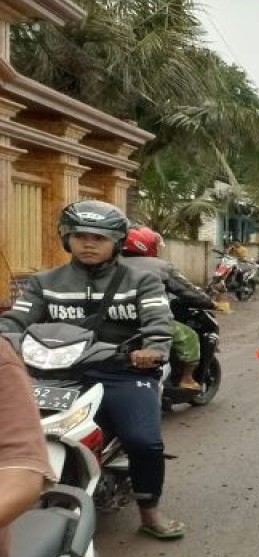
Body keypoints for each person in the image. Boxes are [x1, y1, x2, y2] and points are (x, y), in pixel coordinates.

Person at [0, 201, 184, 539]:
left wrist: (153, 351)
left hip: (120, 370)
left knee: (144, 442)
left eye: (99, 238)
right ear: (65, 239)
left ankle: (149, 511)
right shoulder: (44, 282)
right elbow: (14, 322)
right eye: (80, 236)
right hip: (53, 372)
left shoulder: (142, 281)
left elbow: (159, 325)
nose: (88, 243)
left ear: (116, 242)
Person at [0, 339, 53, 557]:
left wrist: (153, 346)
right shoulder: (48, 287)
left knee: (142, 440)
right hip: (54, 358)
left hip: (117, 365)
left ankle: (149, 506)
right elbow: (25, 314)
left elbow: (20, 475)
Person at [121, 225, 215, 391]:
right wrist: (208, 302)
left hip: (114, 321)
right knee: (190, 336)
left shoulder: (108, 264)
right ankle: (186, 378)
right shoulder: (160, 266)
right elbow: (186, 289)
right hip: (148, 320)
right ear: (146, 245)